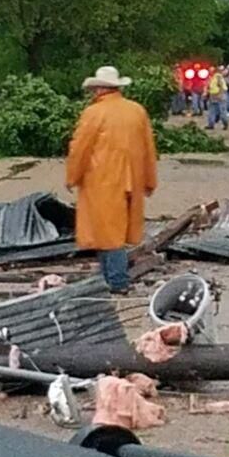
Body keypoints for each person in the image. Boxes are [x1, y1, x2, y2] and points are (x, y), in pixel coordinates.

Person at [66, 66, 158, 295]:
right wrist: (149, 180)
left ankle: (116, 281)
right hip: (131, 180)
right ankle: (109, 279)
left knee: (107, 234)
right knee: (113, 233)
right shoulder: (137, 111)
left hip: (103, 182)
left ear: (98, 89)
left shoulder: (93, 113)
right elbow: (149, 148)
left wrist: (72, 176)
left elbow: (80, 149)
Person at [205, 65, 229, 131]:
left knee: (222, 111)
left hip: (220, 96)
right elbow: (209, 87)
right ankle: (211, 124)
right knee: (211, 111)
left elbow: (221, 86)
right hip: (212, 95)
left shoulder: (218, 77)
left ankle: (225, 124)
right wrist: (206, 93)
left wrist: (220, 94)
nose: (210, 72)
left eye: (211, 71)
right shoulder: (210, 78)